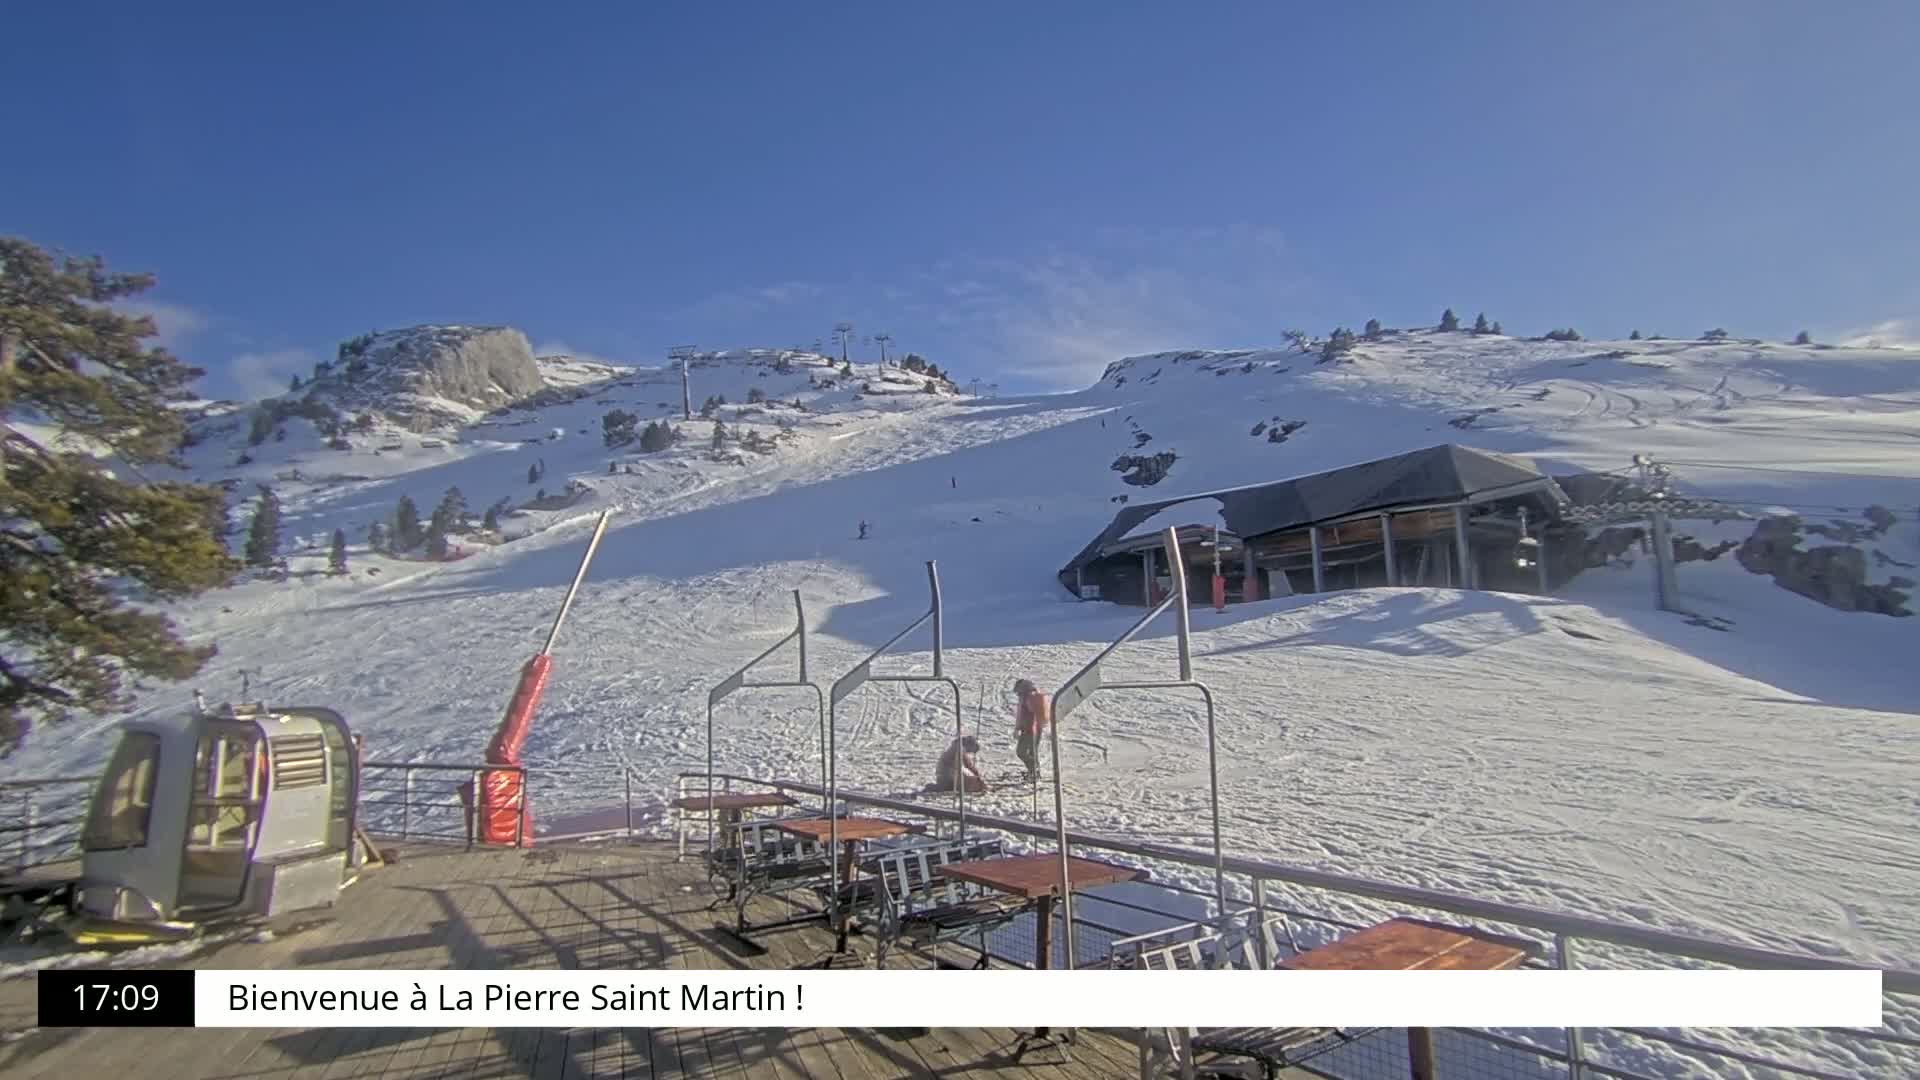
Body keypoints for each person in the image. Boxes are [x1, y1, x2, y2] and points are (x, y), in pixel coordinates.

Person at [1013, 679, 1052, 781]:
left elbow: (1024, 715)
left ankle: (1034, 772)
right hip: (1036, 728)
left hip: (1029, 729)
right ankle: (1034, 773)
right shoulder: (1033, 696)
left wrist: (1018, 728)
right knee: (1032, 752)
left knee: (1021, 752)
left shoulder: (1028, 697)